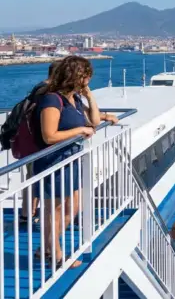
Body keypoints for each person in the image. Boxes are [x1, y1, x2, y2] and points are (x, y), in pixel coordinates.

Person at [36, 56, 116, 268]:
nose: (88, 79)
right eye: (85, 75)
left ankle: (46, 246)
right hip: (53, 162)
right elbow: (49, 136)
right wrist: (80, 130)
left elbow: (95, 121)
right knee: (56, 210)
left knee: (73, 207)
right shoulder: (52, 99)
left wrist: (89, 95)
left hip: (71, 159)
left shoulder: (74, 99)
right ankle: (56, 255)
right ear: (74, 75)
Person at [20, 60, 60, 225]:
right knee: (35, 179)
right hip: (38, 143)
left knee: (32, 178)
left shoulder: (39, 89)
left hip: (33, 143)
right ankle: (28, 214)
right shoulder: (46, 92)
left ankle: (27, 214)